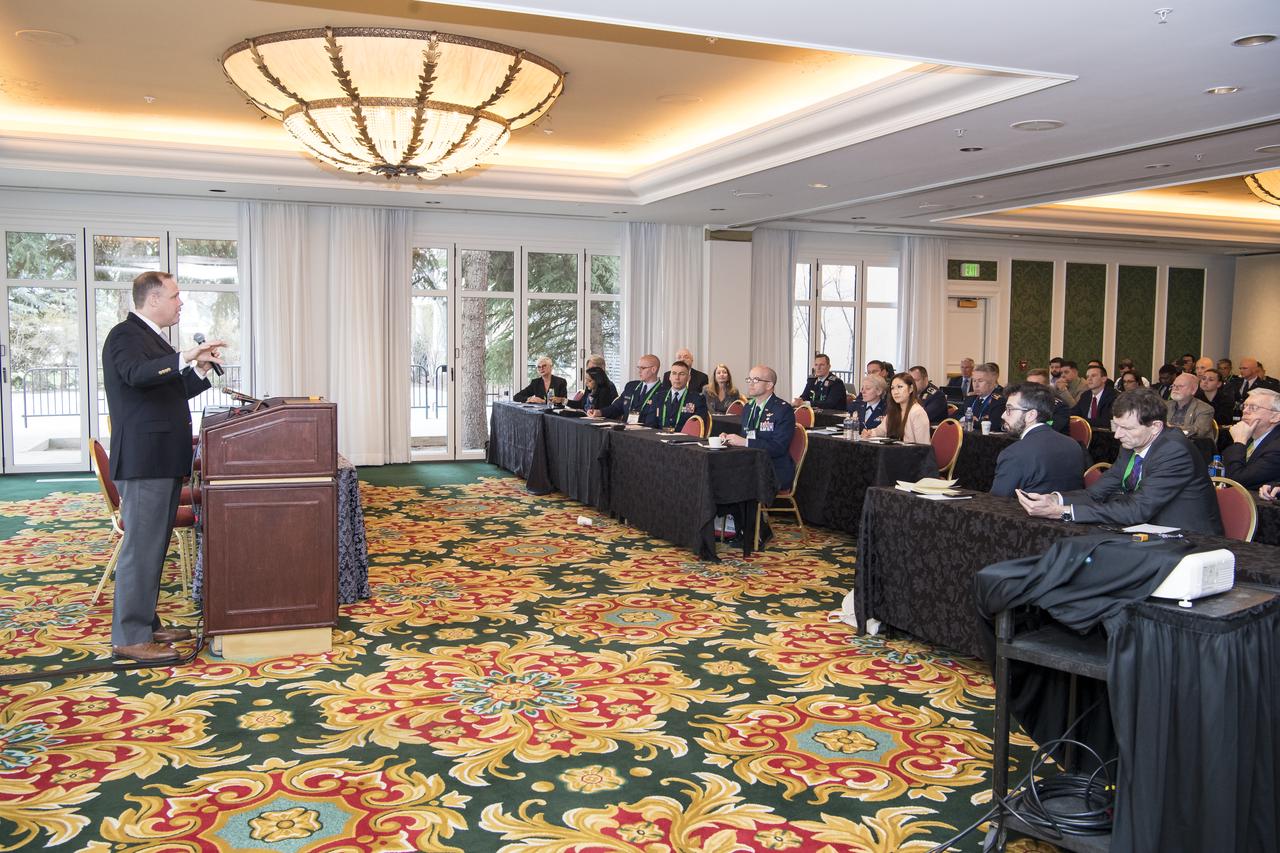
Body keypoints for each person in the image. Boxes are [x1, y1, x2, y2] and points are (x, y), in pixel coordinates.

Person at [101, 271, 224, 663]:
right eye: (175, 296)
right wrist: (185, 356)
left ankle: (146, 624)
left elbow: (169, 394)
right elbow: (136, 375)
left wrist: (200, 371)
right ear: (152, 300)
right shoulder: (125, 336)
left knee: (154, 547)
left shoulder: (151, 339)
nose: (180, 303)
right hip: (144, 460)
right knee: (141, 548)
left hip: (159, 458)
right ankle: (130, 636)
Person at [1016, 388, 1223, 534]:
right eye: (1117, 426)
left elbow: (1137, 509)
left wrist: (1064, 512)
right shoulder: (1132, 443)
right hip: (1149, 530)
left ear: (1156, 427)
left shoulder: (1174, 452)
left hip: (1190, 539)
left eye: (1127, 428)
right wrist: (1056, 500)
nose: (1117, 436)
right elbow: (1097, 493)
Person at [990, 383, 1087, 497]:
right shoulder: (1073, 444)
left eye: (1009, 409)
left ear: (1031, 415)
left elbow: (997, 501)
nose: (1003, 415)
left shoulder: (1014, 453)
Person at [721, 365, 796, 494]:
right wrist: (729, 439)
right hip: (750, 463)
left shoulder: (783, 410)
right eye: (749, 379)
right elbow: (746, 437)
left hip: (774, 468)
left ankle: (738, 514)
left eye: (756, 380)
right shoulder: (748, 408)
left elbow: (778, 447)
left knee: (731, 476)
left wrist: (745, 442)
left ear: (769, 385)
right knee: (719, 470)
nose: (750, 383)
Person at [1221, 388, 1280, 489]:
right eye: (1244, 406)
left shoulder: (1277, 447)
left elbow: (1235, 482)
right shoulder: (1248, 435)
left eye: (1253, 407)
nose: (1245, 411)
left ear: (1275, 417)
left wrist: (1239, 442)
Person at [592, 354, 663, 422]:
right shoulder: (631, 386)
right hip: (626, 430)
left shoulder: (663, 391)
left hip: (646, 432)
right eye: (638, 368)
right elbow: (616, 407)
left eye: (643, 368)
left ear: (653, 369)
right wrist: (599, 412)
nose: (639, 371)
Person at [865, 373, 930, 443]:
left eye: (900, 387)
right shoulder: (894, 410)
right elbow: (882, 430)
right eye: (892, 388)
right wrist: (870, 433)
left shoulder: (917, 412)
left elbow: (924, 446)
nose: (895, 392)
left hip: (911, 453)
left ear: (911, 389)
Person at [645, 360, 707, 432]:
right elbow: (650, 425)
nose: (677, 378)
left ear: (688, 378)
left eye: (682, 374)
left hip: (684, 440)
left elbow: (698, 427)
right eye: (674, 373)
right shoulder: (658, 397)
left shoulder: (697, 399)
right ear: (669, 377)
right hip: (659, 439)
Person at [1165, 372, 1215, 441]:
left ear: (1193, 390)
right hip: (1167, 444)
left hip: (1193, 447)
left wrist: (1172, 428)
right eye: (1174, 385)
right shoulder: (1165, 405)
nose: (1175, 388)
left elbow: (1199, 431)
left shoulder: (1205, 409)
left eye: (1180, 386)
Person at [1025, 369, 1071, 434]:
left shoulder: (1060, 406)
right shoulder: (1024, 402)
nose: (1031, 388)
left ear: (1046, 386)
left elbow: (1050, 427)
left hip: (1052, 440)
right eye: (1028, 385)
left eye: (1036, 385)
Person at [961, 363, 1005, 431]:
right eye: (974, 381)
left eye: (980, 381)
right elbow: (955, 416)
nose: (976, 385)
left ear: (991, 382)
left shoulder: (999, 400)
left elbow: (994, 424)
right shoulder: (970, 398)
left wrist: (970, 421)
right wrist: (964, 419)